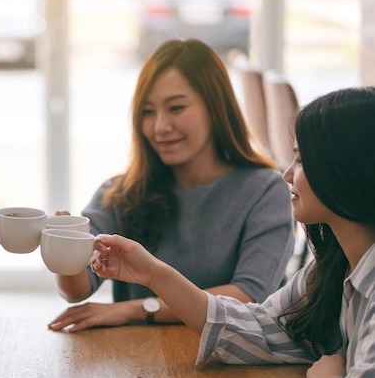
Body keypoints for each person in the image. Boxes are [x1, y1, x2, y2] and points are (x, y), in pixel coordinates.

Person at [91, 86, 375, 378]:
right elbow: (263, 326)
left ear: (348, 169)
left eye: (302, 161)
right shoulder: (334, 267)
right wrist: (154, 275)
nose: (287, 175)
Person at [49, 39, 295, 332]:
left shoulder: (266, 191)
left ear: (216, 108)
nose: (159, 127)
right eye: (148, 112)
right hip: (142, 362)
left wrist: (134, 309)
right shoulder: (122, 192)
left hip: (234, 362)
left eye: (176, 108)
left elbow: (249, 297)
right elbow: (77, 290)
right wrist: (63, 248)